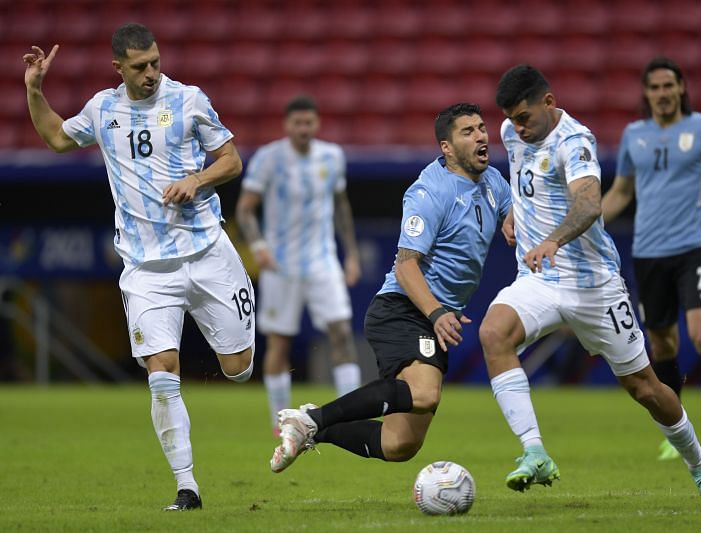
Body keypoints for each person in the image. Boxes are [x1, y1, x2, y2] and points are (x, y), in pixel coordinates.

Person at [480, 64, 701, 510]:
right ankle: (535, 451)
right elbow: (528, 182)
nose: (516, 126)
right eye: (511, 118)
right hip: (540, 278)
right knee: (493, 333)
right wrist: (513, 212)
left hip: (594, 286)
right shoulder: (510, 131)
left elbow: (589, 202)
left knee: (646, 388)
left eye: (524, 117)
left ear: (549, 102)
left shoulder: (575, 141)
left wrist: (552, 239)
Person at [24, 23, 255, 511]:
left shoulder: (189, 99)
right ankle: (187, 486)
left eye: (155, 62)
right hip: (147, 269)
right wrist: (34, 90)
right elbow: (55, 138)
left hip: (209, 252)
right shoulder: (102, 109)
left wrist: (198, 177)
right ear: (118, 68)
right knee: (161, 369)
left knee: (238, 368)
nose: (151, 73)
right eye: (139, 66)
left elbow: (231, 160)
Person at [267, 103, 511, 473]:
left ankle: (312, 429)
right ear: (446, 147)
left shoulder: (494, 181)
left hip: (433, 316)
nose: (481, 136)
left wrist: (514, 225)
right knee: (424, 394)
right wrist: (438, 310)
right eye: (468, 131)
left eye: (481, 128)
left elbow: (512, 214)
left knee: (399, 444)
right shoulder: (429, 192)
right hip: (404, 308)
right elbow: (406, 264)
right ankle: (312, 419)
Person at [601, 57, 701, 462]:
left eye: (668, 86)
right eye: (654, 87)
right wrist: (585, 227)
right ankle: (679, 430)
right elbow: (621, 191)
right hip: (647, 253)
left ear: (680, 88)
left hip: (692, 248)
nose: (661, 94)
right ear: (646, 93)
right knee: (663, 344)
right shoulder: (634, 135)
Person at [236, 96, 362, 438]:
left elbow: (341, 206)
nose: (303, 129)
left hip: (323, 261)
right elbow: (245, 208)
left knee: (341, 333)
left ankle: (348, 414)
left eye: (309, 123)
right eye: (297, 123)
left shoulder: (332, 157)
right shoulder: (269, 158)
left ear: (317, 124)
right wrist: (258, 246)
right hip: (281, 265)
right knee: (279, 342)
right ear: (287, 125)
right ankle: (280, 419)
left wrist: (350, 253)